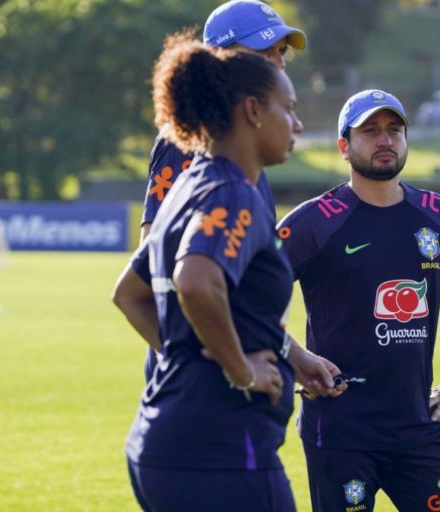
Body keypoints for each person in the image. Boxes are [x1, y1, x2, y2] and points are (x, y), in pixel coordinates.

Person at [112, 33, 341, 511]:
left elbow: (130, 293)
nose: (297, 124)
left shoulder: (188, 185)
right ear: (254, 111)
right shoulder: (232, 192)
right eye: (289, 108)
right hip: (221, 451)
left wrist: (192, 359)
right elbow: (195, 281)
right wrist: (237, 370)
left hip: (163, 439)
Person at [277, 89, 440, 512]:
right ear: (344, 147)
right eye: (369, 131)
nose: (385, 139)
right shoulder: (315, 222)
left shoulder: (436, 215)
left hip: (417, 427)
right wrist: (294, 357)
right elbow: (251, 300)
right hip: (340, 432)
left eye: (394, 130)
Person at [140, 0, 307, 381]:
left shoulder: (246, 152)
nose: (277, 63)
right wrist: (221, 367)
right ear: (220, 60)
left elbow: (241, 298)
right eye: (263, 51)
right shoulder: (189, 140)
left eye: (280, 53)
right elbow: (154, 274)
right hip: (204, 386)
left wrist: (291, 355)